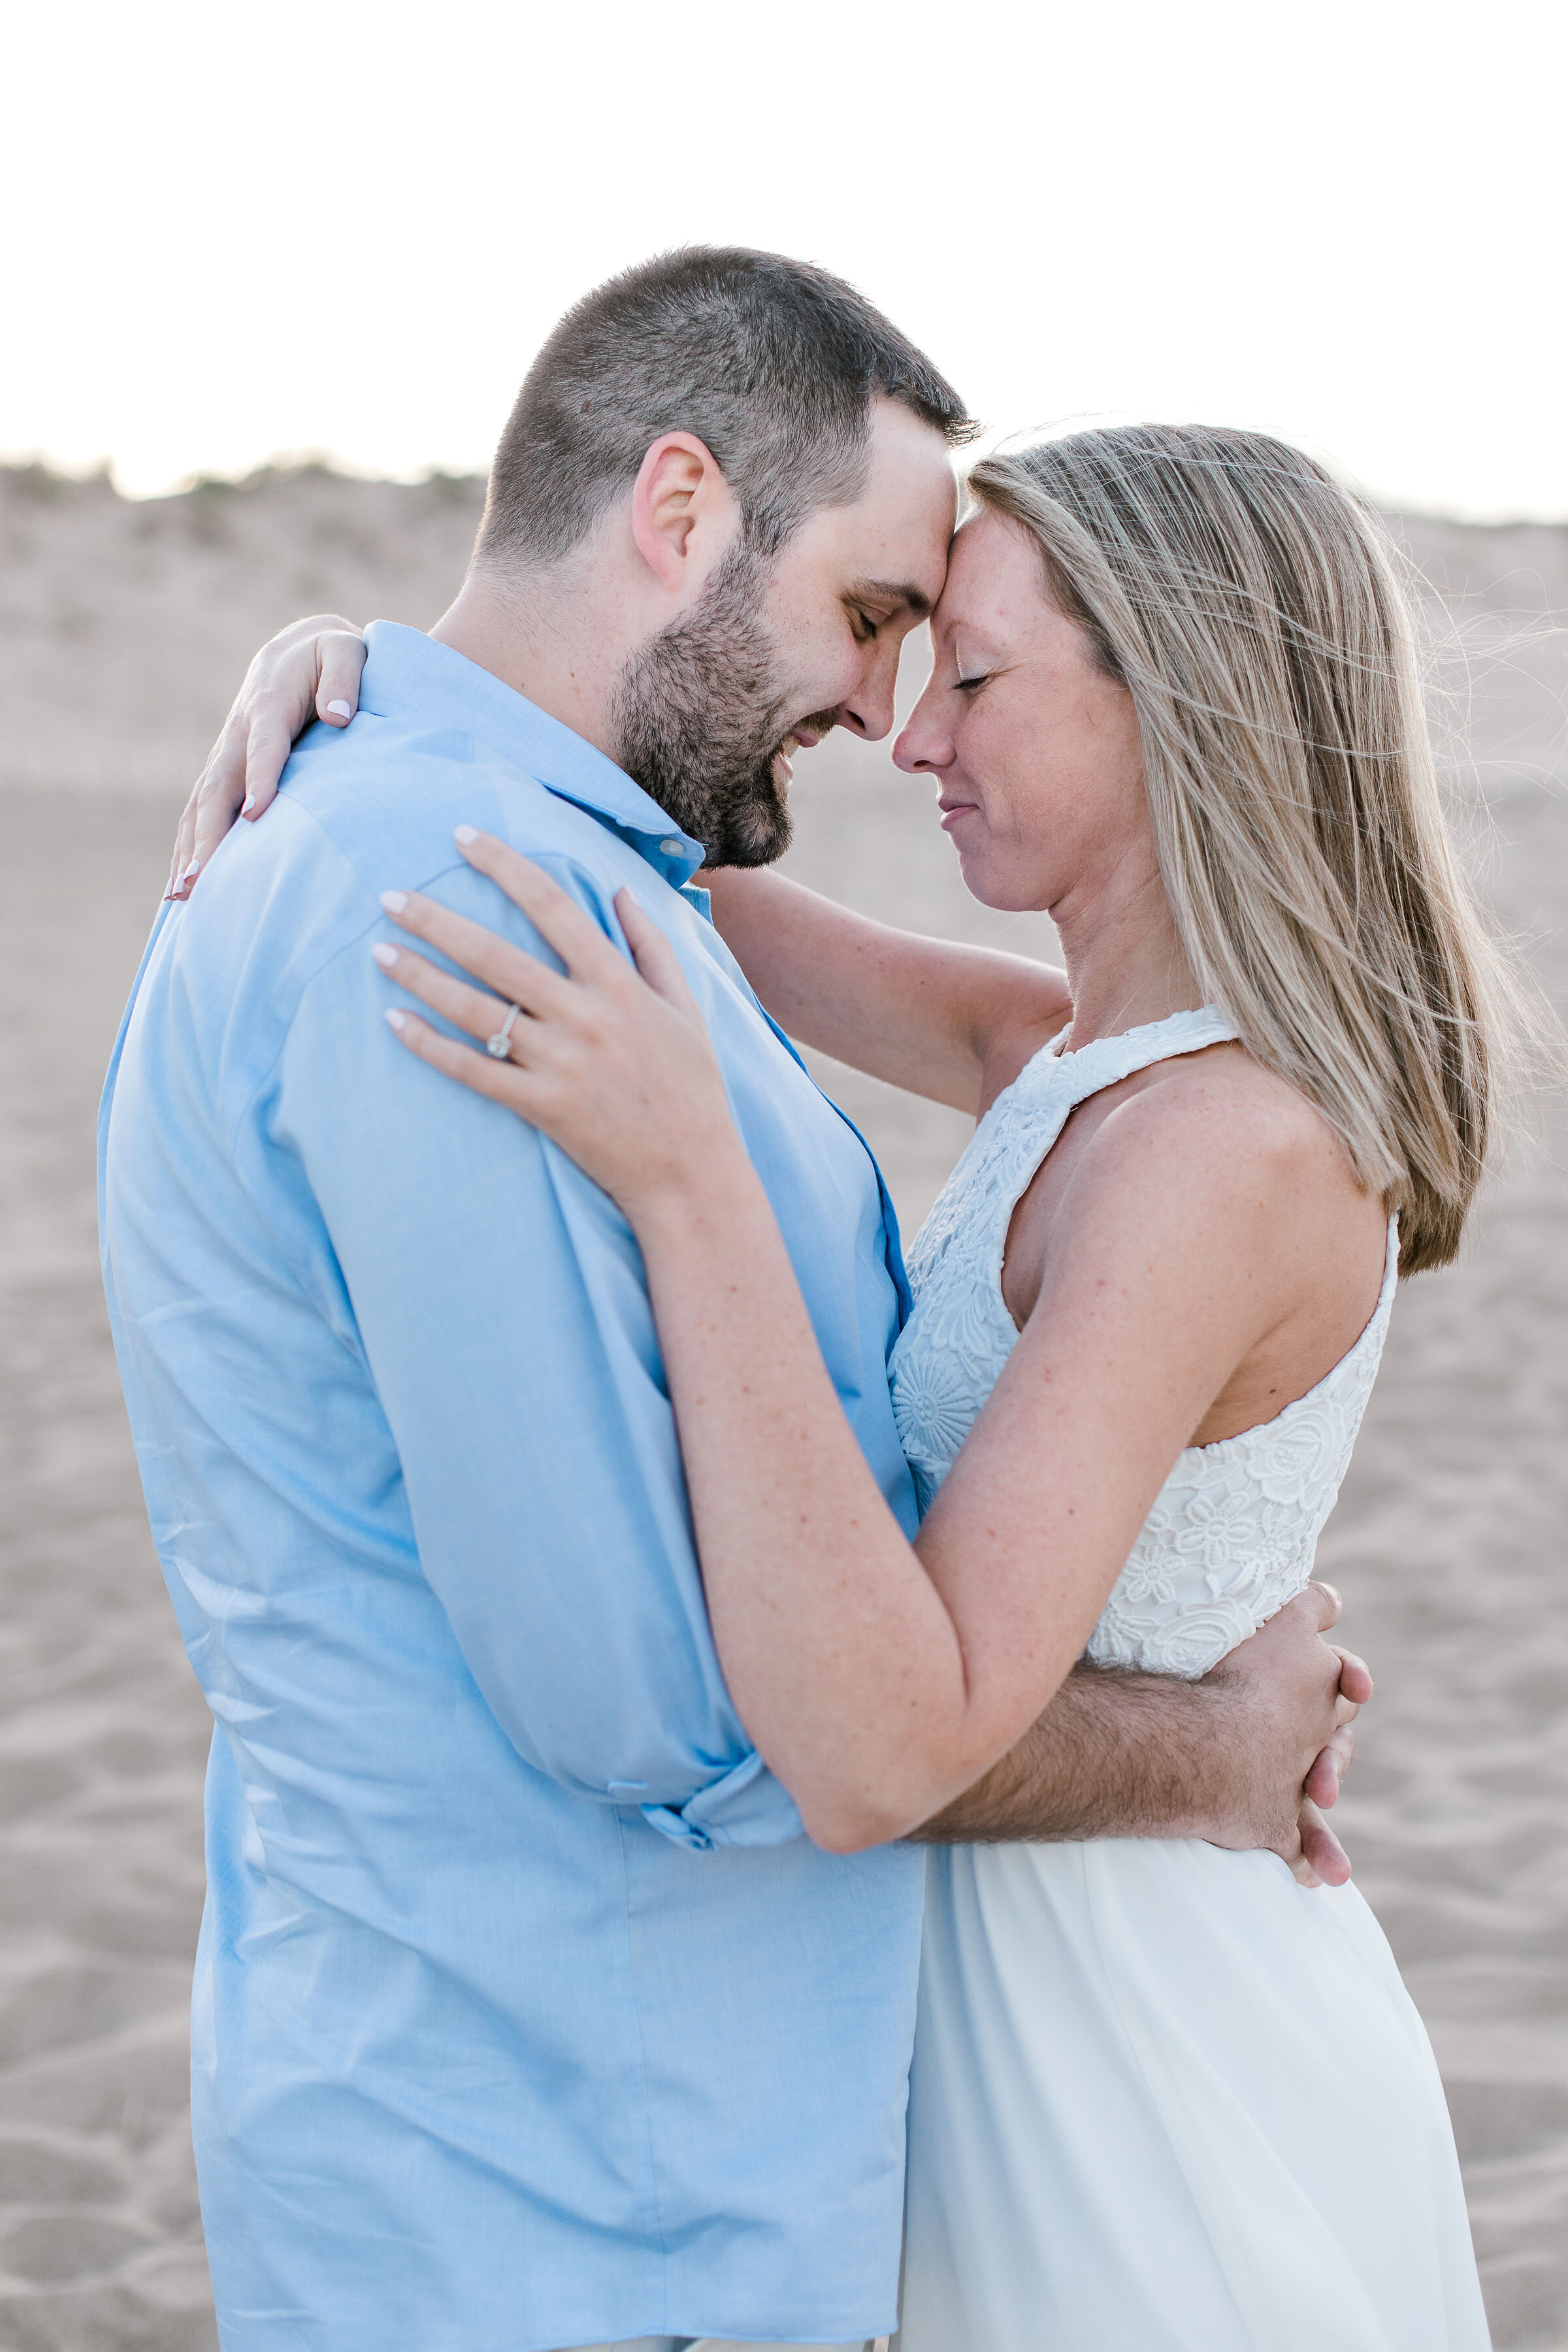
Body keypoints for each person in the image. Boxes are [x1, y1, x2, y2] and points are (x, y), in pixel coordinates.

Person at [103, 253, 1357, 2352]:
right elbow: (682, 1709)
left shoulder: (573, 875)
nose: (888, 716)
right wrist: (1201, 1747)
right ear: (678, 512)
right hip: (574, 2191)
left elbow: (1104, 1115)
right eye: (875, 619)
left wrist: (386, 675)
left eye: (947, 659)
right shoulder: (471, 922)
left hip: (619, 2142)